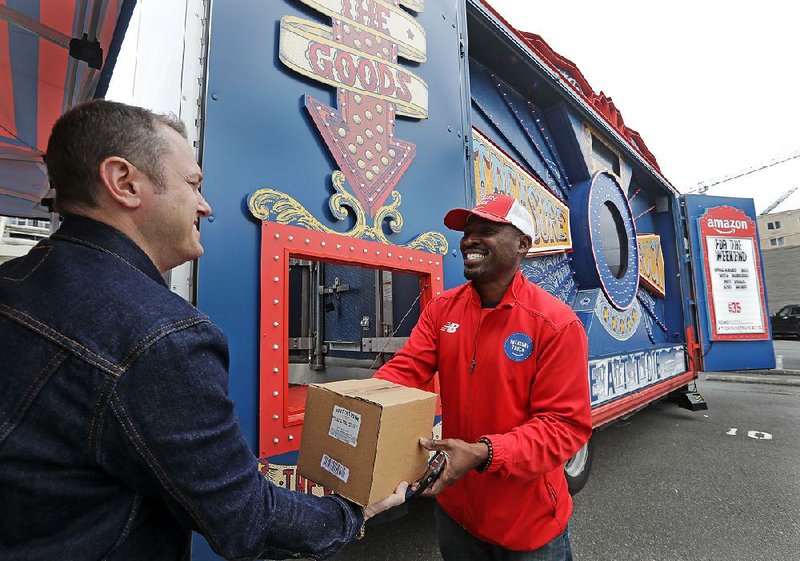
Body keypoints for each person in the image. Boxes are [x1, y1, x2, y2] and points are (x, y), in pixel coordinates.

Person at [0, 99, 405, 561]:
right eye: (193, 184)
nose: (205, 205)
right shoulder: (162, 336)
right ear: (124, 182)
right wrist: (353, 512)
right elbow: (245, 517)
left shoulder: (13, 283)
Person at [374, 193, 592, 560]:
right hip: (456, 511)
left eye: (486, 231)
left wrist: (483, 453)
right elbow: (404, 372)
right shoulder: (442, 309)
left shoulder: (555, 324)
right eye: (467, 232)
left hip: (527, 524)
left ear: (522, 244)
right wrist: (359, 401)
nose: (470, 240)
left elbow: (563, 427)